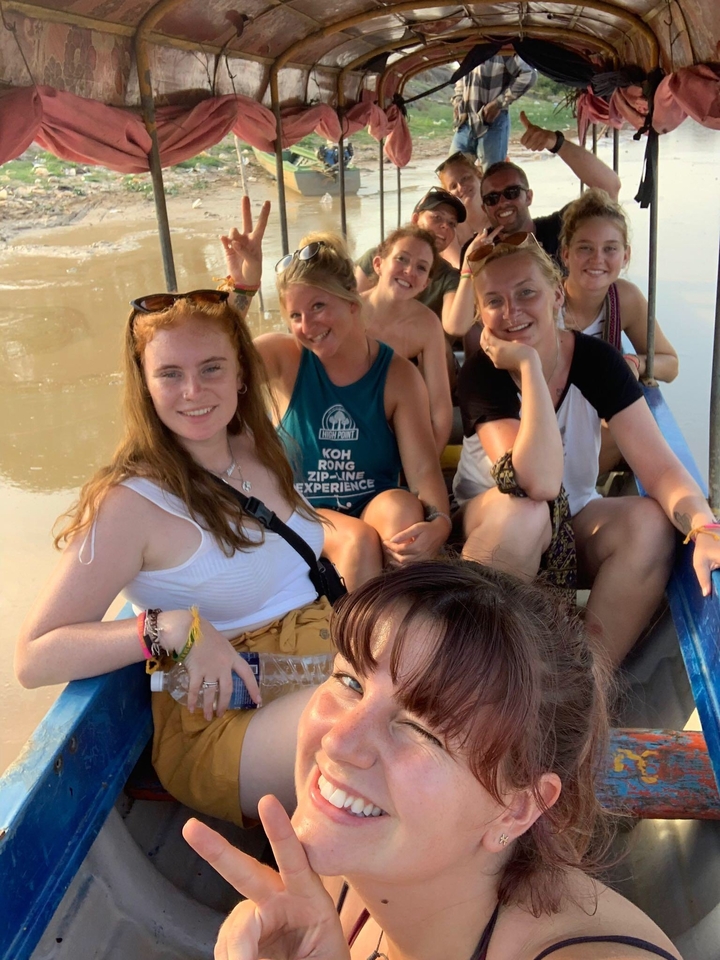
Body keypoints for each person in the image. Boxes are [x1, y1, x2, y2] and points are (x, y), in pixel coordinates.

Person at [14, 197, 334, 828]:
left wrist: (238, 287)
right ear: (146, 384)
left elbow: (204, 341)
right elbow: (33, 657)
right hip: (225, 718)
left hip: (320, 661)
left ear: (242, 373)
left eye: (213, 369)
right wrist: (172, 630)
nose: (193, 392)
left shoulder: (254, 445)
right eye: (170, 376)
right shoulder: (130, 503)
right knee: (369, 728)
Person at [183, 560, 683, 960]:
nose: (338, 742)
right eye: (350, 682)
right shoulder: (337, 866)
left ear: (517, 808)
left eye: (422, 729)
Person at [453, 239, 720, 666]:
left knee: (651, 523)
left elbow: (659, 468)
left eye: (526, 293)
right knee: (528, 513)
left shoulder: (597, 361)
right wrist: (526, 365)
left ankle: (583, 683)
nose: (512, 311)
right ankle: (484, 670)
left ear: (557, 294)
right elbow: (535, 483)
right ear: (481, 315)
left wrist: (705, 528)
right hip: (492, 526)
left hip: (573, 518)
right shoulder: (483, 371)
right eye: (494, 301)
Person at [223, 228, 451, 591]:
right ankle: (361, 643)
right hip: (299, 511)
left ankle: (400, 626)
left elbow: (424, 472)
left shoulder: (399, 376)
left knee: (404, 513)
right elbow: (214, 365)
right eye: (295, 315)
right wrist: (243, 290)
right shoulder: (283, 358)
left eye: (318, 307)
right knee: (357, 541)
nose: (308, 326)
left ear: (352, 303)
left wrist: (439, 524)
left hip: (370, 503)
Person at [441, 117, 622, 347]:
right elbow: (467, 324)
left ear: (529, 196)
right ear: (485, 207)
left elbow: (609, 188)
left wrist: (556, 143)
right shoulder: (478, 248)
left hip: (569, 342)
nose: (503, 203)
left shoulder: (560, 228)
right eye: (493, 198)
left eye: (512, 192)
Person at [560, 188, 679, 383]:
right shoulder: (545, 298)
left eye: (610, 249)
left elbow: (670, 365)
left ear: (625, 256)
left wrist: (633, 362)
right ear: (566, 254)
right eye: (585, 248)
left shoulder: (625, 299)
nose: (597, 259)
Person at [361, 224, 453, 453]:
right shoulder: (347, 311)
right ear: (378, 264)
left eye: (421, 268)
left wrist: (429, 466)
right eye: (402, 259)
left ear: (425, 284)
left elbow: (440, 407)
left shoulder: (427, 325)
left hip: (394, 425)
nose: (410, 271)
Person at [354, 187, 466, 328]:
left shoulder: (448, 277)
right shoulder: (376, 257)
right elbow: (354, 313)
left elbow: (455, 327)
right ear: (415, 219)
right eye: (437, 217)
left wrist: (468, 271)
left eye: (452, 223)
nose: (445, 226)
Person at [450, 53, 538, 167]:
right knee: (453, 169)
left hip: (492, 120)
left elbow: (529, 75)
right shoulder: (469, 50)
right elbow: (461, 77)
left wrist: (499, 102)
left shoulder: (503, 51)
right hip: (466, 121)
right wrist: (458, 101)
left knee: (493, 174)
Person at [435, 150, 491, 268]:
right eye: (453, 186)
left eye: (465, 178)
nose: (461, 187)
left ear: (479, 175)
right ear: (448, 194)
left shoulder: (497, 214)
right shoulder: (450, 230)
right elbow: (458, 268)